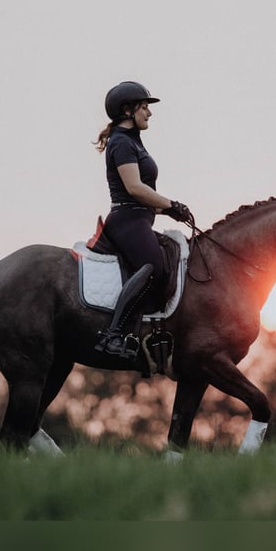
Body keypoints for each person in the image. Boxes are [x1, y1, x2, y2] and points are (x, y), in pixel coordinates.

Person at [93, 81, 193, 358]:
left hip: (139, 218)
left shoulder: (133, 142)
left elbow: (140, 197)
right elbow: (135, 188)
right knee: (155, 268)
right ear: (128, 110)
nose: (149, 113)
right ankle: (113, 336)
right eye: (145, 106)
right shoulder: (122, 143)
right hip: (127, 221)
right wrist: (171, 203)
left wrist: (167, 210)